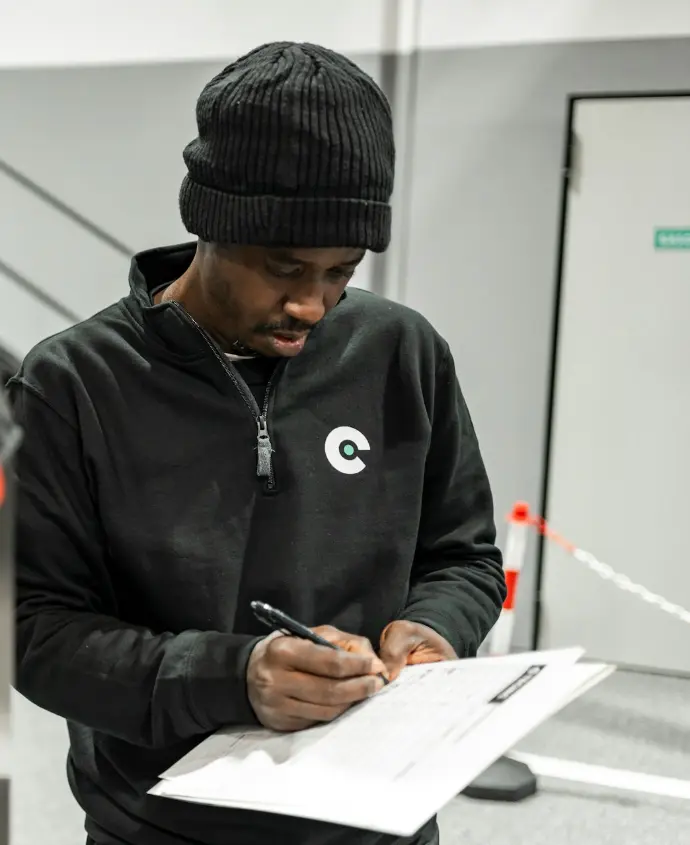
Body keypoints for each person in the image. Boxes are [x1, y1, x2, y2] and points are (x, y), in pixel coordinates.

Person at [7, 42, 505, 845]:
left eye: (341, 271)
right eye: (284, 267)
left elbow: (464, 557)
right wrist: (233, 676)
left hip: (377, 820)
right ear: (209, 222)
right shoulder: (74, 382)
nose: (311, 304)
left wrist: (434, 628)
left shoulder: (400, 352)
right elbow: (32, 630)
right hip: (163, 829)